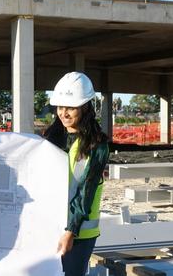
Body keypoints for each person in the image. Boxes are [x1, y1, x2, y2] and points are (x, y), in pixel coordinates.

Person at [43, 72, 110, 276]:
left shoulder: (96, 145)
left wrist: (70, 231)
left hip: (78, 232)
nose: (64, 113)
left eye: (70, 107)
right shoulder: (52, 138)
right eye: (60, 107)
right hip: (49, 225)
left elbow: (85, 190)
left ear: (85, 107)